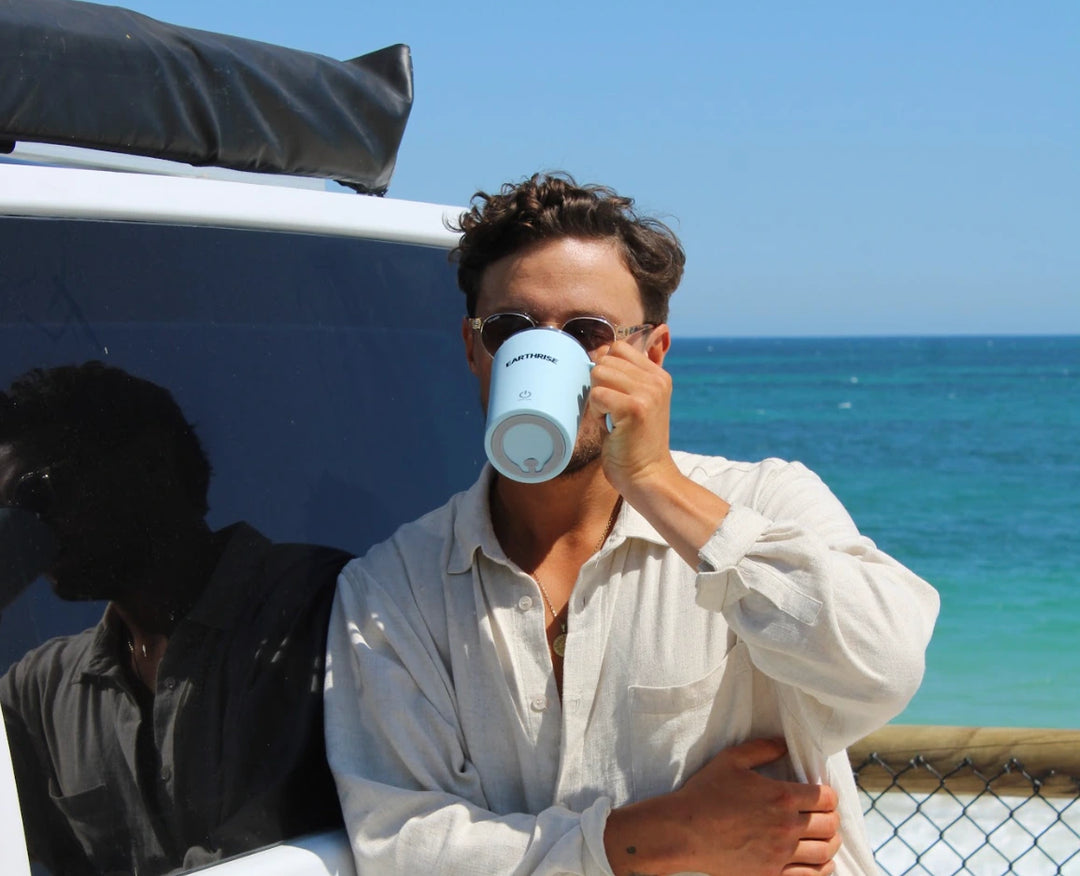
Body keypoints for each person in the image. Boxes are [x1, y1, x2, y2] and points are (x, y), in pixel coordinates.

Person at [324, 173, 940, 875]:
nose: (548, 356)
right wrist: (648, 842)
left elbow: (885, 666)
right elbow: (403, 846)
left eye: (588, 333)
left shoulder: (767, 502)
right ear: (474, 350)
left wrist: (656, 484)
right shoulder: (392, 588)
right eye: (511, 330)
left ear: (653, 354)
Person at [0, 362, 352, 876]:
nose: (27, 533)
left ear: (149, 466)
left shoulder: (319, 609)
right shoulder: (42, 689)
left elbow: (254, 856)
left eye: (36, 496)